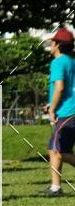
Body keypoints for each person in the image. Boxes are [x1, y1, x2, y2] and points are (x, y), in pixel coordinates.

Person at [44, 26, 75, 197]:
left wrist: (53, 109)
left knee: (60, 150)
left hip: (67, 112)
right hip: (71, 110)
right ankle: (56, 187)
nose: (50, 45)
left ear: (57, 44)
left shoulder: (57, 62)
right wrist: (51, 104)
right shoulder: (72, 61)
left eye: (52, 42)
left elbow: (60, 87)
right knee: (53, 148)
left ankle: (56, 187)